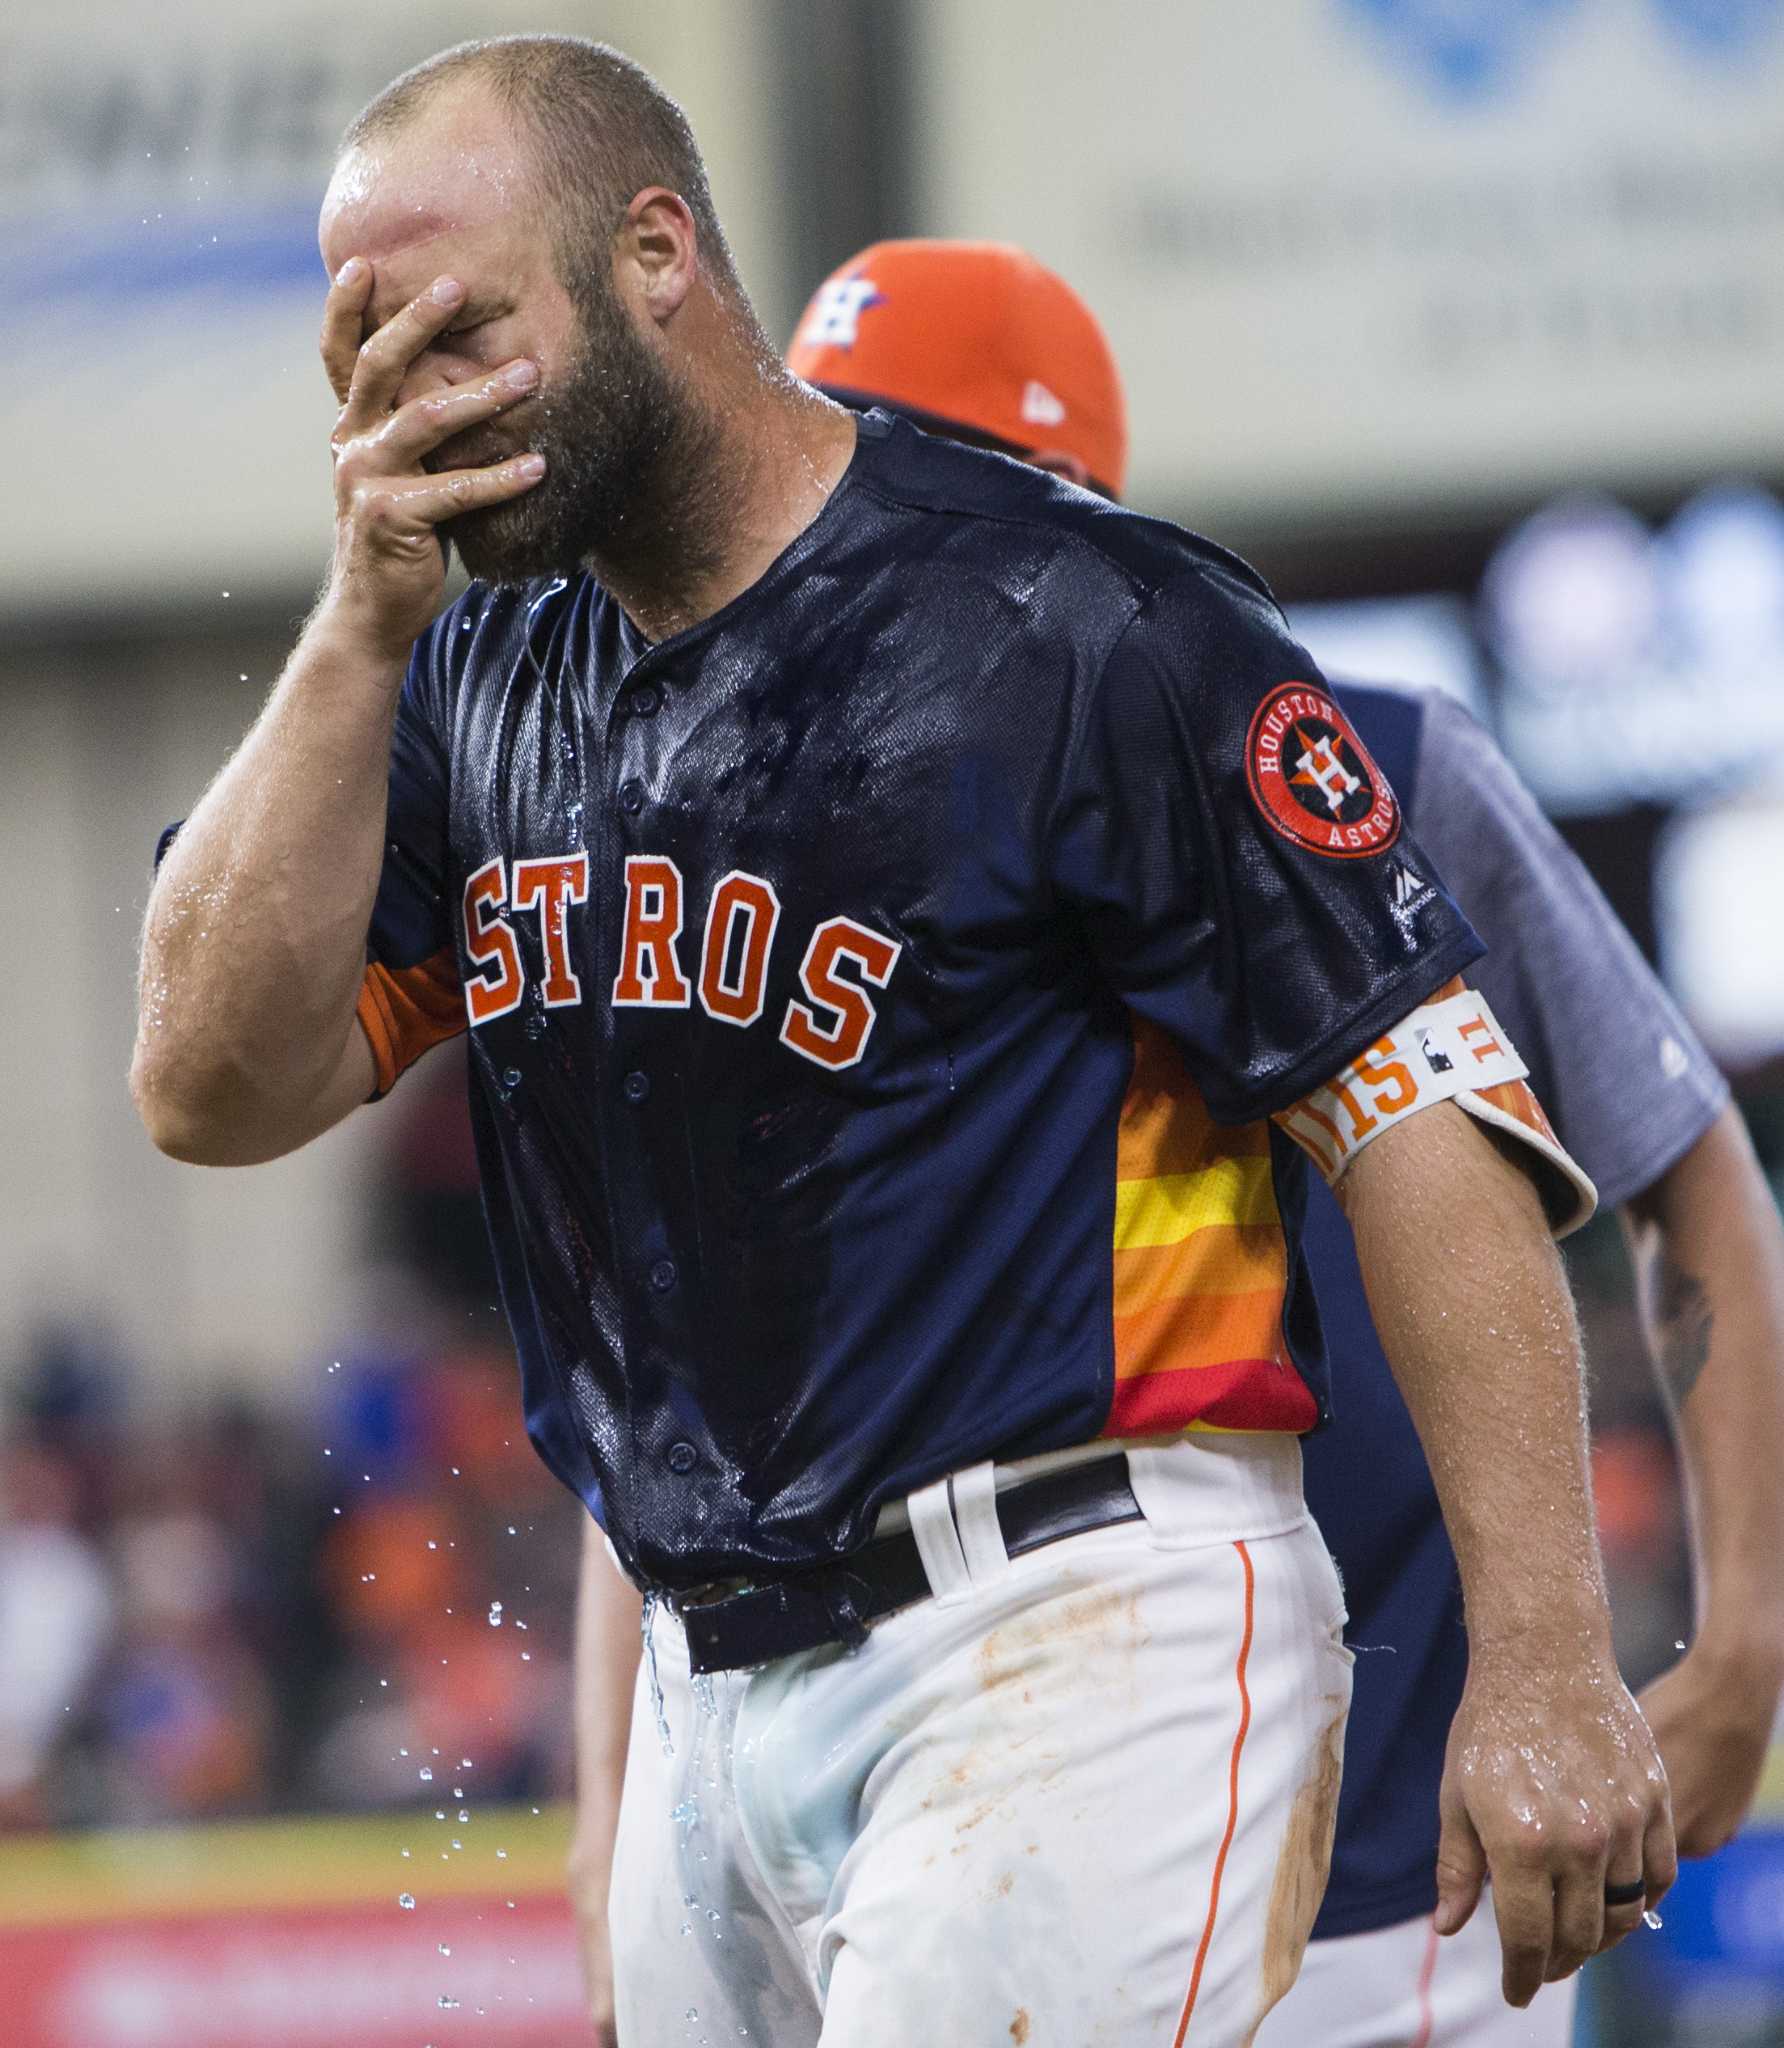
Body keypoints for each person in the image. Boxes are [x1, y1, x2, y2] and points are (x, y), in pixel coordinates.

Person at [131, 39, 1673, 2048]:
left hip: (1071, 1607)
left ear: (655, 254)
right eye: (361, 356)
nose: (404, 401)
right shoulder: (458, 675)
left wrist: (1549, 1657)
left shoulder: (1071, 614)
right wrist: (350, 628)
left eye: (456, 331)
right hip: (708, 1673)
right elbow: (205, 1087)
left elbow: (1422, 1111)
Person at [646, 237, 1781, 2048]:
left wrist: (1742, 1639)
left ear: (1075, 510)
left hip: (1397, 1862)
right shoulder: (738, 815)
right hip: (933, 1816)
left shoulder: (1367, 756)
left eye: (933, 464)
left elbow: (1691, 1170)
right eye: (852, 455)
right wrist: (614, 1815)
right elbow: (686, 1349)